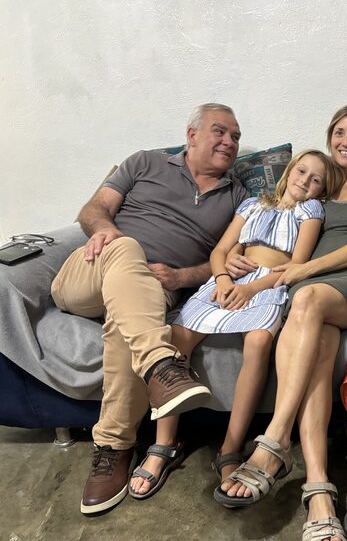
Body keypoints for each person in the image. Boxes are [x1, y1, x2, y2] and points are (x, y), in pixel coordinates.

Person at [50, 103, 249, 515]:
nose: (229, 142)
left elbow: (228, 259)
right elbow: (93, 209)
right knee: (127, 249)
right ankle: (161, 365)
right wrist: (108, 233)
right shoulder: (145, 162)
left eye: (235, 137)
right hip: (91, 272)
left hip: (156, 292)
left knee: (129, 321)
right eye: (219, 131)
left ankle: (113, 447)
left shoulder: (238, 197)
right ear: (191, 135)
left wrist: (181, 277)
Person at [219, 105, 347, 541]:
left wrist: (303, 272)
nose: (346, 142)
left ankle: (276, 439)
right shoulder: (318, 186)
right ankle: (319, 493)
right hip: (312, 294)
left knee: (306, 299)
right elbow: (267, 224)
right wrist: (236, 259)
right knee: (317, 352)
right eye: (339, 133)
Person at [127, 150, 343, 500]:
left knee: (259, 341)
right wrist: (224, 277)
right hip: (230, 280)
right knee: (177, 337)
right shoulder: (254, 205)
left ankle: (230, 447)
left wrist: (251, 289)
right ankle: (164, 443)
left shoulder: (310, 211)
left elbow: (297, 265)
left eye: (316, 179)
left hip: (269, 285)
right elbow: (221, 250)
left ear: (322, 189)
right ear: (289, 172)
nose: (305, 181)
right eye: (302, 171)